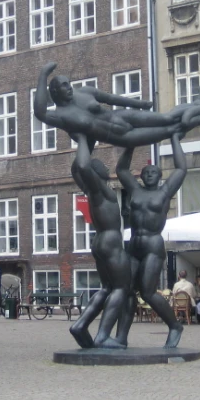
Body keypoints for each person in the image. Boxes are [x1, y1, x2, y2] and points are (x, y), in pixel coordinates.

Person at [33, 63, 200, 149]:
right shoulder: (60, 116)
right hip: (121, 137)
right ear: (54, 92)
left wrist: (140, 104)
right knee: (172, 130)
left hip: (123, 117)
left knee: (167, 117)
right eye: (63, 86)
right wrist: (43, 74)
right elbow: (40, 112)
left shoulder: (84, 93)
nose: (69, 87)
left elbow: (114, 98)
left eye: (68, 83)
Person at [117, 132, 186, 349]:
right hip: (133, 245)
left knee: (147, 292)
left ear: (159, 177)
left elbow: (181, 169)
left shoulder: (165, 192)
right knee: (126, 291)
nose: (149, 175)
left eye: (154, 173)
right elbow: (121, 170)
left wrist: (174, 138)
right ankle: (120, 337)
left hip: (153, 245)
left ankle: (174, 325)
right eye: (146, 172)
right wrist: (130, 144)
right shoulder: (135, 190)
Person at [68, 134, 134, 349]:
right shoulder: (100, 189)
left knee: (106, 288)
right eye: (103, 166)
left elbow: (75, 169)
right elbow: (84, 167)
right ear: (99, 174)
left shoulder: (90, 191)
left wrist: (88, 143)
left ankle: (81, 324)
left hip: (99, 241)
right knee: (121, 289)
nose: (107, 169)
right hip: (111, 242)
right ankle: (103, 335)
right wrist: (82, 139)